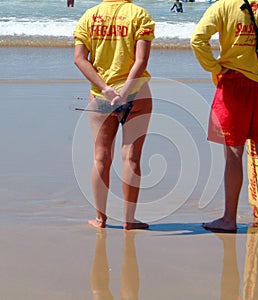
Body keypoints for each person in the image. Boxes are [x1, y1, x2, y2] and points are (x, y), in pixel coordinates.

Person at [190, 0, 258, 232]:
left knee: (234, 154)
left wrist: (215, 68)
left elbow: (197, 39)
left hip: (233, 87)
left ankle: (229, 219)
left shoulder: (223, 6)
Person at [73, 0, 155, 230]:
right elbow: (141, 60)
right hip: (137, 94)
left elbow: (79, 59)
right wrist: (125, 92)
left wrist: (107, 90)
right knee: (131, 158)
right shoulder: (139, 14)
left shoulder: (90, 16)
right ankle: (129, 219)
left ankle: (101, 218)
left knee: (101, 158)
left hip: (101, 97)